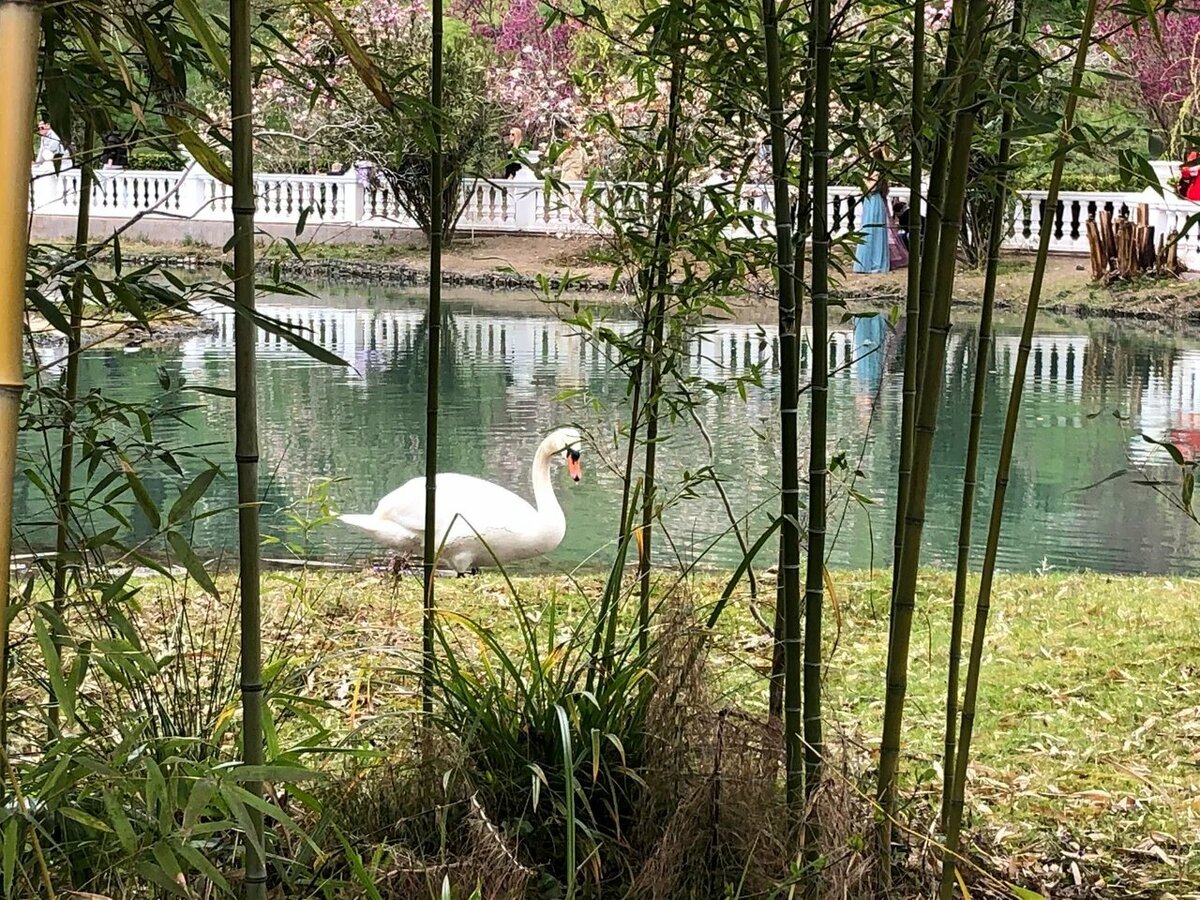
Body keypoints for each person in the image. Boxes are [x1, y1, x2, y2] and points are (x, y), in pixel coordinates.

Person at [853, 148, 907, 273]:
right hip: (871, 201)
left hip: (874, 201)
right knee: (868, 229)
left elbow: (870, 188)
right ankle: (869, 261)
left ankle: (874, 262)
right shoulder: (875, 172)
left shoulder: (876, 172)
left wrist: (863, 180)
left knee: (873, 230)